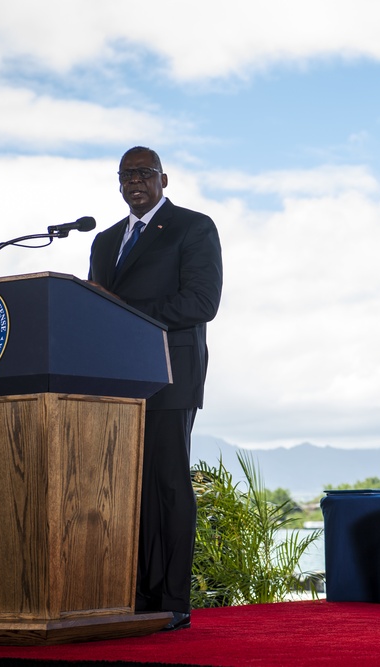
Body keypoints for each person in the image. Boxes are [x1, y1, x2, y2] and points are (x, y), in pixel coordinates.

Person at [88, 146, 222, 631]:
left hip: (170, 373)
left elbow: (202, 301)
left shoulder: (193, 226)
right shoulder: (104, 242)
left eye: (144, 173)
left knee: (166, 483)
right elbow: (92, 308)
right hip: (116, 380)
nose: (134, 182)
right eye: (125, 175)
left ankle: (173, 600)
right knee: (129, 489)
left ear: (164, 178)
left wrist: (124, 311)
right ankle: (138, 596)